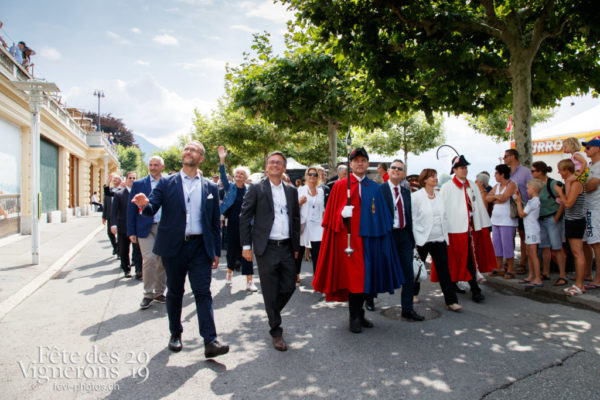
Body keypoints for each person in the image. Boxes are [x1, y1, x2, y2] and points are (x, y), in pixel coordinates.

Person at [131, 141, 229, 358]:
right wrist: (142, 205)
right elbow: (152, 207)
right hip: (173, 247)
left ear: (201, 158)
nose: (188, 151)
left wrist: (214, 251)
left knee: (203, 292)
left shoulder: (210, 187)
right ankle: (175, 333)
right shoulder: (167, 183)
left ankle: (210, 340)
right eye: (186, 148)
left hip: (200, 247)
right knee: (175, 292)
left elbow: (214, 223)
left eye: (193, 149)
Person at [314, 148, 404, 333]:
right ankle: (354, 316)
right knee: (355, 279)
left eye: (363, 160)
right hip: (349, 243)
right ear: (351, 164)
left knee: (367, 279)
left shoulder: (375, 187)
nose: (360, 163)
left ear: (367, 163)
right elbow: (330, 218)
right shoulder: (340, 186)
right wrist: (341, 214)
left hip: (370, 241)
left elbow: (382, 217)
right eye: (356, 161)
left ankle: (360, 312)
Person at [239, 151, 300, 351]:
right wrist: (246, 246)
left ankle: (273, 311)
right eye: (271, 162)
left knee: (289, 285)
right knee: (270, 288)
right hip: (266, 247)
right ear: (267, 167)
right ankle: (276, 331)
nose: (275, 165)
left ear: (284, 168)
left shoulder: (291, 191)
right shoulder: (256, 189)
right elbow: (244, 217)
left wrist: (296, 245)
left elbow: (295, 220)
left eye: (279, 163)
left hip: (287, 246)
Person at [440, 155, 495, 303]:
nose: (464, 171)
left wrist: (481, 224)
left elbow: (478, 206)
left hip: (472, 228)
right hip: (455, 229)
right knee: (459, 258)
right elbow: (443, 209)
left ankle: (473, 288)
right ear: (455, 170)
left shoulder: (472, 185)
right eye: (461, 168)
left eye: (465, 168)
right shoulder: (447, 187)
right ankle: (469, 287)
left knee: (470, 258)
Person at [412, 169, 461, 311]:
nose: (435, 178)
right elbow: (413, 219)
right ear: (425, 180)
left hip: (439, 238)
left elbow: (444, 217)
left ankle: (451, 301)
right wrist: (414, 240)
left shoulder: (439, 196)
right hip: (422, 239)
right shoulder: (416, 197)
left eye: (436, 176)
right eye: (432, 176)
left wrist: (446, 236)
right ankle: (413, 293)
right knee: (417, 269)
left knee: (444, 271)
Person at [380, 160, 423, 320]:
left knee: (408, 274)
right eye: (394, 168)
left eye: (400, 169)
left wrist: (413, 240)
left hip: (404, 236)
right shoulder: (380, 190)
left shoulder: (406, 192)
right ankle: (369, 300)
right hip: (387, 236)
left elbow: (409, 216)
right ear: (389, 171)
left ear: (403, 174)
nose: (396, 170)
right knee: (379, 269)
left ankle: (407, 309)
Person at [127, 156, 167, 309]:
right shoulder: (139, 184)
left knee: (162, 261)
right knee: (149, 259)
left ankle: (159, 292)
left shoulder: (167, 183)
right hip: (144, 227)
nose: (152, 167)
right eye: (150, 165)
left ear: (162, 167)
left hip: (163, 227)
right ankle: (148, 294)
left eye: (156, 165)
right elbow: (131, 209)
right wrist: (131, 231)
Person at [217, 146, 257, 292]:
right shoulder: (230, 187)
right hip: (232, 224)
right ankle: (229, 273)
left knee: (247, 251)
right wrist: (222, 159)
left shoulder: (250, 189)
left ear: (246, 177)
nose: (239, 175)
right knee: (232, 251)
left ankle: (249, 281)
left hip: (246, 226)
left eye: (242, 174)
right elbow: (222, 175)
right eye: (237, 173)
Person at [531, 161, 567, 286]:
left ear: (540, 172)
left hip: (552, 218)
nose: (532, 173)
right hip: (542, 219)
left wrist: (557, 217)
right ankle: (546, 272)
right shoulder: (538, 184)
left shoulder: (552, 184)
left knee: (557, 247)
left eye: (533, 171)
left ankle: (562, 275)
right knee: (545, 247)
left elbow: (562, 200)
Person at [555, 159, 586, 296]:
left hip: (576, 220)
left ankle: (580, 284)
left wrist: (560, 192)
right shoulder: (571, 182)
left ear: (567, 170)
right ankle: (578, 284)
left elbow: (568, 203)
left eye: (560, 170)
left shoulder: (575, 182)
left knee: (578, 253)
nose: (559, 173)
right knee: (575, 252)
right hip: (571, 220)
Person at [486, 164, 518, 279]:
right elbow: (487, 198)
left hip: (507, 220)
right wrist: (496, 197)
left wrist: (495, 197)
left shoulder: (512, 184)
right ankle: (499, 267)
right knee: (497, 244)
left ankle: (510, 268)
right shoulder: (497, 185)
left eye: (496, 173)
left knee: (507, 244)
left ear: (502, 174)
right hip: (496, 219)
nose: (494, 175)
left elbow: (504, 198)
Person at [504, 149, 533, 274]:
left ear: (513, 156)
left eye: (506, 156)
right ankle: (509, 261)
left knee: (522, 235)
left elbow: (531, 188)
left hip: (523, 205)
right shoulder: (506, 173)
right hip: (508, 207)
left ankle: (523, 262)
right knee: (509, 234)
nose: (504, 158)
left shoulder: (526, 172)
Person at [111, 172, 143, 278]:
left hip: (137, 227)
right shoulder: (119, 194)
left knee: (138, 249)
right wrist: (113, 224)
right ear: (126, 179)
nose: (132, 180)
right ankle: (126, 269)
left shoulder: (140, 194)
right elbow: (114, 211)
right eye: (130, 178)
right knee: (124, 250)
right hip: (123, 227)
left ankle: (139, 270)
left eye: (134, 178)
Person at [515, 180, 544, 288]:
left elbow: (522, 214)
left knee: (533, 253)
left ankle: (537, 277)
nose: (527, 190)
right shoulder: (532, 201)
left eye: (528, 188)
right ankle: (532, 275)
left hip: (532, 230)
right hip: (529, 229)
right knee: (529, 253)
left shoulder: (534, 201)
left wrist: (518, 202)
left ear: (534, 189)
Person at [297, 166, 325, 276]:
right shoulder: (301, 189)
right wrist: (300, 203)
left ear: (318, 177)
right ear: (307, 176)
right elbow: (294, 207)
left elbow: (322, 209)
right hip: (304, 223)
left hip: (317, 225)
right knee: (299, 251)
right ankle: (296, 274)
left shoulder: (321, 191)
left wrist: (324, 225)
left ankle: (318, 278)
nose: (312, 176)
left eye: (315, 175)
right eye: (310, 174)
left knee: (317, 252)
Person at [583, 136, 600, 290]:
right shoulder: (590, 165)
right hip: (589, 208)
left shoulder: (598, 166)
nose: (585, 150)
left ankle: (598, 279)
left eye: (588, 147)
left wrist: (581, 184)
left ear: (597, 149)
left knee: (596, 244)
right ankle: (589, 274)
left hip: (595, 209)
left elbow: (589, 187)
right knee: (590, 243)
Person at [102, 174, 120, 257]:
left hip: (120, 215)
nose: (115, 180)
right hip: (110, 215)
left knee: (121, 234)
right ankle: (115, 247)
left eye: (117, 178)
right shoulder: (109, 191)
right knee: (110, 233)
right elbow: (105, 204)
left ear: (120, 180)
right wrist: (104, 216)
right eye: (114, 178)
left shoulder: (123, 190)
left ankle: (120, 251)